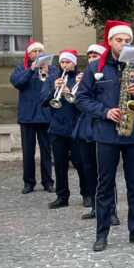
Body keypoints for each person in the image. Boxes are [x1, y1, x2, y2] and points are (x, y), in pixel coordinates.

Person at [76, 20, 134, 252]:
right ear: (110, 41)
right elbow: (82, 99)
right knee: (104, 186)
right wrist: (104, 112)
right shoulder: (95, 68)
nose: (123, 44)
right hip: (107, 135)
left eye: (127, 40)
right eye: (119, 40)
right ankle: (102, 234)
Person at [76, 44, 119, 225]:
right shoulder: (86, 75)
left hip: (103, 126)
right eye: (90, 56)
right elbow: (79, 101)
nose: (92, 58)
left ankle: (111, 210)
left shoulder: (107, 74)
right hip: (86, 128)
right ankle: (96, 207)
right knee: (89, 169)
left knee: (106, 172)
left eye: (96, 55)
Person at [43, 49, 88, 209]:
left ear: (74, 63)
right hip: (58, 128)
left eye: (68, 62)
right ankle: (62, 197)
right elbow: (43, 101)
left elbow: (86, 103)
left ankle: (87, 194)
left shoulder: (82, 78)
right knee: (60, 165)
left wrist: (71, 94)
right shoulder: (53, 79)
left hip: (76, 128)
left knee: (80, 163)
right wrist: (53, 90)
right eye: (62, 62)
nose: (64, 65)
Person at [10, 41, 54, 194]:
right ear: (29, 55)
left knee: (46, 152)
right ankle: (29, 183)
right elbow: (17, 83)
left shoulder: (52, 68)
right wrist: (31, 70)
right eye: (34, 51)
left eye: (40, 51)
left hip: (45, 116)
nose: (38, 54)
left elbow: (56, 85)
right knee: (28, 152)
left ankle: (48, 182)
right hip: (27, 117)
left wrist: (48, 74)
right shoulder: (21, 68)